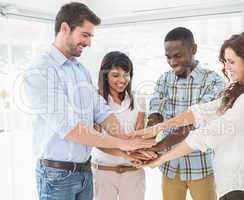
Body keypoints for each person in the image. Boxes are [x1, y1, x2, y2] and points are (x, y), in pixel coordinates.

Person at [22, 2, 155, 200]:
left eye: (91, 36)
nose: (89, 43)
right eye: (85, 35)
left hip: (84, 172)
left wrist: (127, 141)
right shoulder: (41, 70)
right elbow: (71, 128)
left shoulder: (80, 70)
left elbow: (101, 112)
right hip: (57, 177)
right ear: (65, 28)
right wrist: (122, 144)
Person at [140, 31, 244, 200]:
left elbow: (205, 134)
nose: (226, 67)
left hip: (239, 188)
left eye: (231, 61)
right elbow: (202, 111)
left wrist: (158, 157)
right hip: (230, 185)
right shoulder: (243, 89)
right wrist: (155, 129)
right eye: (226, 61)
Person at [138, 27, 225, 200]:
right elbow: (155, 114)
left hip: (201, 167)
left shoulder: (213, 81)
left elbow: (191, 124)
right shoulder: (164, 79)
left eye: (177, 56)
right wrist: (146, 143)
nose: (171, 62)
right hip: (171, 168)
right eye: (168, 57)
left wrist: (158, 147)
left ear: (193, 49)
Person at [91, 51, 157, 200]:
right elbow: (96, 141)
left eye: (126, 74)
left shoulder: (138, 97)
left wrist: (146, 154)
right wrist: (126, 154)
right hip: (103, 173)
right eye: (115, 75)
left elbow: (140, 135)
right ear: (105, 75)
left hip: (133, 172)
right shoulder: (96, 100)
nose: (122, 80)